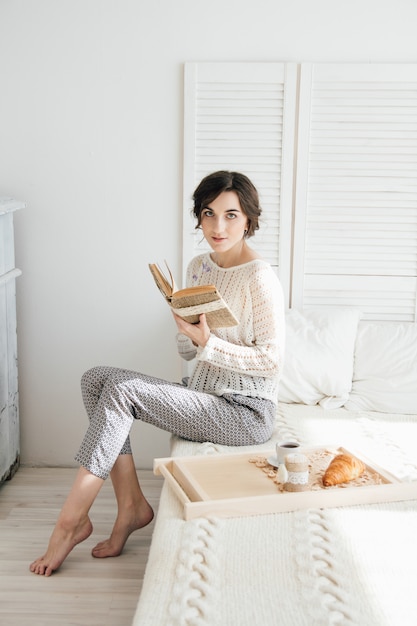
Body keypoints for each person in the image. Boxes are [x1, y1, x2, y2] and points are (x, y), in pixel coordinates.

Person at [30, 170, 285, 576]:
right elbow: (189, 351)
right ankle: (131, 505)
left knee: (121, 392)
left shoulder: (260, 277)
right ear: (198, 217)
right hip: (204, 394)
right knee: (96, 379)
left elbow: (271, 361)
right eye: (209, 213)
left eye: (231, 215)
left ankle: (71, 521)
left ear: (250, 220)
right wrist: (188, 332)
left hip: (245, 412)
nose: (218, 226)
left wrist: (209, 343)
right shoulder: (199, 266)